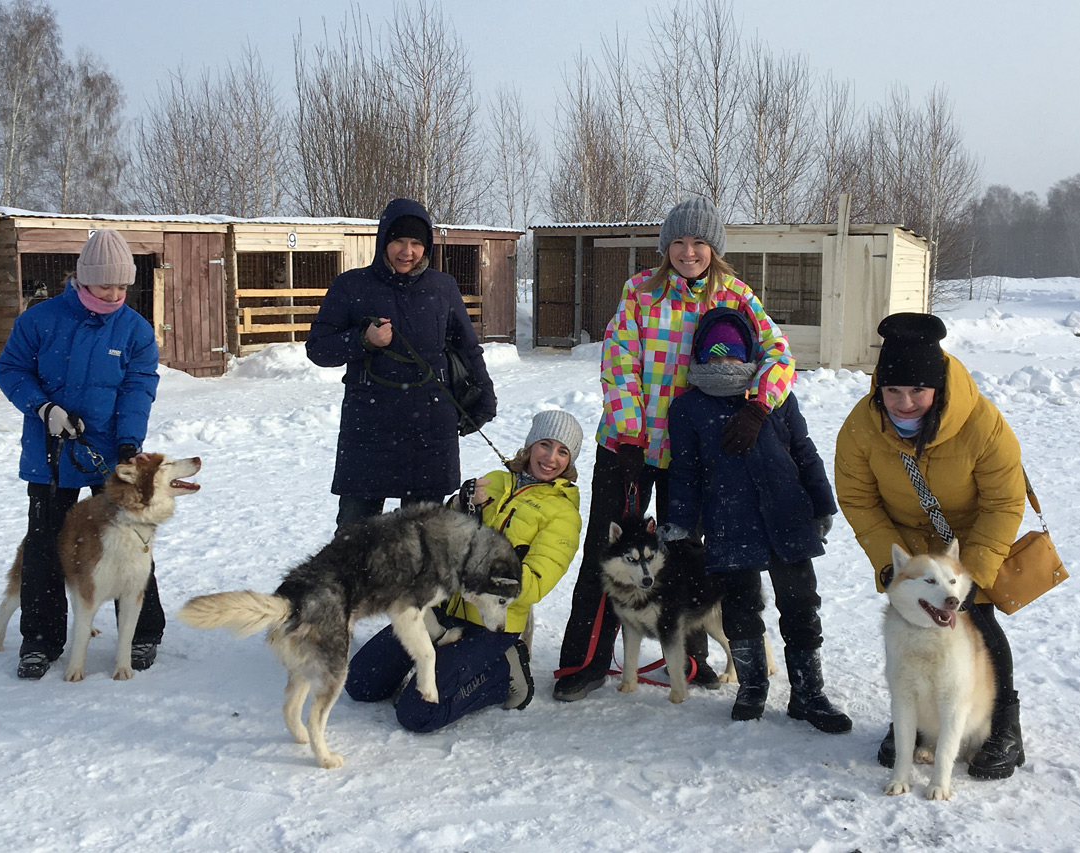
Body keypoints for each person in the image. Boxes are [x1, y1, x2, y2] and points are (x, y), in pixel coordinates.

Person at [552, 196, 796, 702]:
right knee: (609, 552)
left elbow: (780, 354)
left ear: (714, 248)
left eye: (699, 243)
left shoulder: (735, 295)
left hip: (698, 453)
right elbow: (619, 364)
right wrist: (629, 433)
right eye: (679, 242)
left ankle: (687, 657)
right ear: (666, 247)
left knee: (686, 558)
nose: (688, 252)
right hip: (630, 449)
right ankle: (587, 660)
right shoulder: (641, 291)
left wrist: (757, 407)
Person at [834, 312, 1028, 778]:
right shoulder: (861, 428)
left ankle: (1004, 723)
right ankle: (913, 722)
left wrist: (974, 573)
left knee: (977, 624)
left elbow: (1004, 500)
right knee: (907, 627)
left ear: (937, 388)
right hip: (905, 541)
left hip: (968, 537)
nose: (904, 403)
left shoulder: (982, 423)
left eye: (917, 391)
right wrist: (893, 564)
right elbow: (858, 499)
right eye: (893, 391)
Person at [667, 308, 850, 732]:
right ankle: (752, 687)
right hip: (728, 520)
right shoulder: (688, 407)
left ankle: (809, 692)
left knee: (801, 605)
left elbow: (804, 451)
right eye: (713, 358)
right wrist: (679, 523)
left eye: (730, 355)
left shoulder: (774, 396)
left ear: (746, 353)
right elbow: (685, 470)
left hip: (787, 514)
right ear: (699, 358)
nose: (723, 364)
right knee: (739, 607)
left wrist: (822, 503)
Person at [345, 410, 584, 731]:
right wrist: (460, 503)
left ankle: (502, 674)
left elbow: (536, 584)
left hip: (490, 625)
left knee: (418, 714)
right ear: (530, 446)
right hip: (442, 608)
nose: (550, 457)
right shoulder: (496, 480)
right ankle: (446, 666)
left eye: (562, 451)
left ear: (569, 462)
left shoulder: (562, 514)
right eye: (545, 444)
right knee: (361, 684)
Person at [0, 228, 162, 680]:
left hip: (107, 453)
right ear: (82, 279)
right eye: (106, 284)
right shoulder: (40, 320)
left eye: (123, 286)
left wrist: (128, 442)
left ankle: (144, 632)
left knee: (131, 539)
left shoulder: (134, 330)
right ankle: (40, 638)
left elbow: (138, 387)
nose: (115, 294)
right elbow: (10, 370)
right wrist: (44, 407)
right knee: (47, 543)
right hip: (49, 452)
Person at [306, 198, 496, 530]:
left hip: (430, 427)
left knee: (423, 539)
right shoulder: (351, 286)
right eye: (399, 241)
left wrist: (485, 396)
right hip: (369, 426)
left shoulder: (442, 288)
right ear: (383, 241)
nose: (407, 251)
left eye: (416, 243)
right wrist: (362, 340)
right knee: (355, 539)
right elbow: (319, 349)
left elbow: (468, 347)